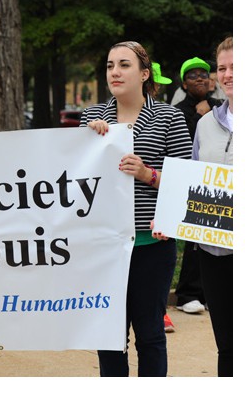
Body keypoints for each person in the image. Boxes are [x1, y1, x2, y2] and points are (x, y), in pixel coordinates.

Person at [80, 41, 192, 377]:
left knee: (151, 336)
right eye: (110, 65)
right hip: (105, 248)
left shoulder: (169, 116)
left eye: (124, 65)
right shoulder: (90, 117)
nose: (115, 71)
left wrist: (147, 174)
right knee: (110, 339)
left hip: (152, 247)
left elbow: (185, 182)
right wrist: (86, 143)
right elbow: (72, 181)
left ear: (144, 74)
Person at [193, 37, 233, 376]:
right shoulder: (205, 124)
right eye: (222, 68)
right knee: (227, 346)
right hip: (213, 251)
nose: (228, 74)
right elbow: (193, 181)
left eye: (236, 67)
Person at [173, 57, 224, 315]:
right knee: (195, 241)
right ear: (184, 83)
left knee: (217, 240)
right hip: (193, 182)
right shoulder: (179, 111)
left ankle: (207, 293)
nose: (201, 79)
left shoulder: (221, 107)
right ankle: (187, 294)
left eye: (204, 74)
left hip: (219, 186)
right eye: (193, 76)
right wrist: (198, 115)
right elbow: (185, 145)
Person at [152, 62, 176, 333]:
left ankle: (162, 314)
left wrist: (149, 175)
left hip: (158, 232)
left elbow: (179, 176)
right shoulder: (100, 117)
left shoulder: (169, 116)